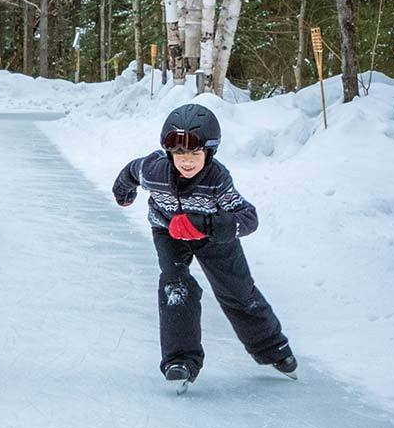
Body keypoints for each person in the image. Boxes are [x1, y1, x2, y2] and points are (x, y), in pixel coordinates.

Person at [111, 103, 298, 389]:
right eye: (179, 153)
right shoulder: (154, 170)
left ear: (209, 152)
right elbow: (131, 172)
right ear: (169, 152)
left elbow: (248, 218)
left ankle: (273, 347)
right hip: (167, 230)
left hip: (212, 235)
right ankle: (180, 359)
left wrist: (210, 224)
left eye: (195, 153)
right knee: (176, 285)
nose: (187, 161)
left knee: (237, 290)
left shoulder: (217, 179)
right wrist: (124, 190)